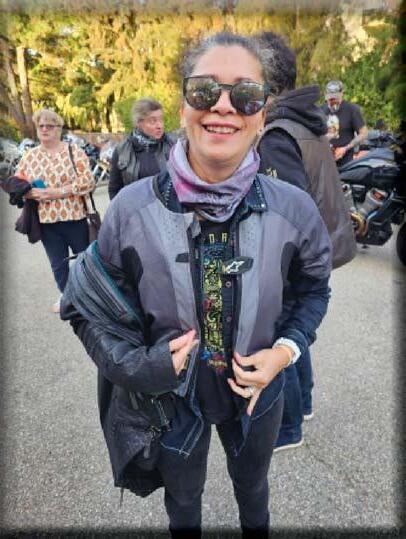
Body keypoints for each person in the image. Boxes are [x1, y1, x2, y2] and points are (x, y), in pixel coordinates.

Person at [61, 32, 332, 537]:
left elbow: (314, 288)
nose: (223, 106)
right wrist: (144, 367)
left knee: (253, 489)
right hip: (171, 400)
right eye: (205, 90)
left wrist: (285, 353)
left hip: (257, 396)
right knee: (183, 501)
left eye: (245, 94)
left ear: (262, 115)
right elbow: (84, 308)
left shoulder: (293, 208)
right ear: (184, 105)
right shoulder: (130, 209)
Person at [255, 32, 356, 452]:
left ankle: (289, 427)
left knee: (282, 330)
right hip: (319, 248)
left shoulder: (277, 133)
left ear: (265, 81)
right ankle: (307, 402)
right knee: (297, 326)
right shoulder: (303, 122)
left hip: (295, 258)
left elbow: (287, 213)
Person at [15, 108, 95, 312]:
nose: (44, 129)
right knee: (58, 264)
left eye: (49, 126)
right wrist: (30, 193)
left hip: (75, 217)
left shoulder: (74, 151)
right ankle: (68, 297)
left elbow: (88, 181)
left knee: (85, 260)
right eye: (40, 125)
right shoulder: (29, 157)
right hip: (46, 222)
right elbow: (17, 184)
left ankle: (90, 295)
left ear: (59, 128)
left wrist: (57, 192)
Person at [108, 97, 174, 199]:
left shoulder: (173, 146)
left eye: (161, 120)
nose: (159, 126)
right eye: (153, 121)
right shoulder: (122, 151)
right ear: (138, 123)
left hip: (169, 207)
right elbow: (114, 190)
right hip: (135, 208)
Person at [321, 80, 368, 167]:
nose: (332, 101)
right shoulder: (321, 110)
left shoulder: (352, 109)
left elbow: (363, 133)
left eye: (335, 98)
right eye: (330, 98)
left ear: (341, 94)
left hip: (346, 161)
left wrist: (345, 148)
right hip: (325, 160)